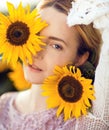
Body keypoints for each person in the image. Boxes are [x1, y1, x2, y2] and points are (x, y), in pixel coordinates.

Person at [0, 0, 108, 129]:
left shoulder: (81, 124)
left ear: (80, 58)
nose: (36, 52)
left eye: (56, 46)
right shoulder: (4, 105)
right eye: (35, 35)